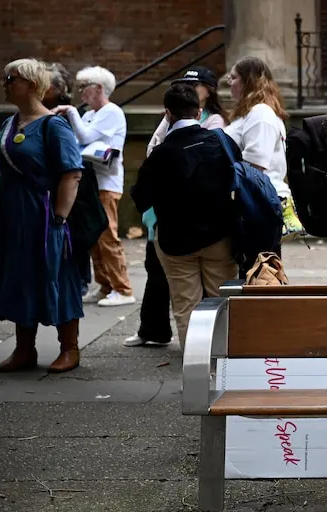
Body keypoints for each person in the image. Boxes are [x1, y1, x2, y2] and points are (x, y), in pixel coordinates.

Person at [0, 59, 84, 373]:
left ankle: (70, 348)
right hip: (11, 214)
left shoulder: (53, 125)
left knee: (54, 275)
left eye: (10, 77)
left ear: (29, 83)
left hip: (43, 216)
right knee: (17, 275)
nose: (5, 83)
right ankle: (24, 349)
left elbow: (72, 173)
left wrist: (60, 217)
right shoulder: (10, 123)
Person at [125, 66, 228, 348]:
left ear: (168, 114)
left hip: (175, 240)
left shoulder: (160, 155)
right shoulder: (223, 144)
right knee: (222, 301)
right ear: (198, 113)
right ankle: (226, 359)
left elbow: (142, 197)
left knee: (186, 307)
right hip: (218, 235)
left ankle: (197, 367)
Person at [52, 65, 135, 307]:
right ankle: (105, 285)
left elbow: (86, 137)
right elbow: (78, 140)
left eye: (84, 87)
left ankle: (124, 288)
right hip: (90, 182)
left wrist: (69, 111)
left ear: (99, 88)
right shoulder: (89, 114)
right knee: (94, 237)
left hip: (106, 183)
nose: (80, 93)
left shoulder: (112, 112)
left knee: (108, 236)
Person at [224, 56, 303, 241]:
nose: (229, 82)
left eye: (234, 77)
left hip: (259, 203)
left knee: (260, 268)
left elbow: (255, 166)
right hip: (253, 201)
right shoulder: (251, 114)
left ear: (248, 81)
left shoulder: (261, 114)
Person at [42, 62, 93, 298]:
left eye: (47, 84)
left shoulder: (67, 114)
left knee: (75, 233)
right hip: (51, 183)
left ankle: (80, 278)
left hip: (73, 181)